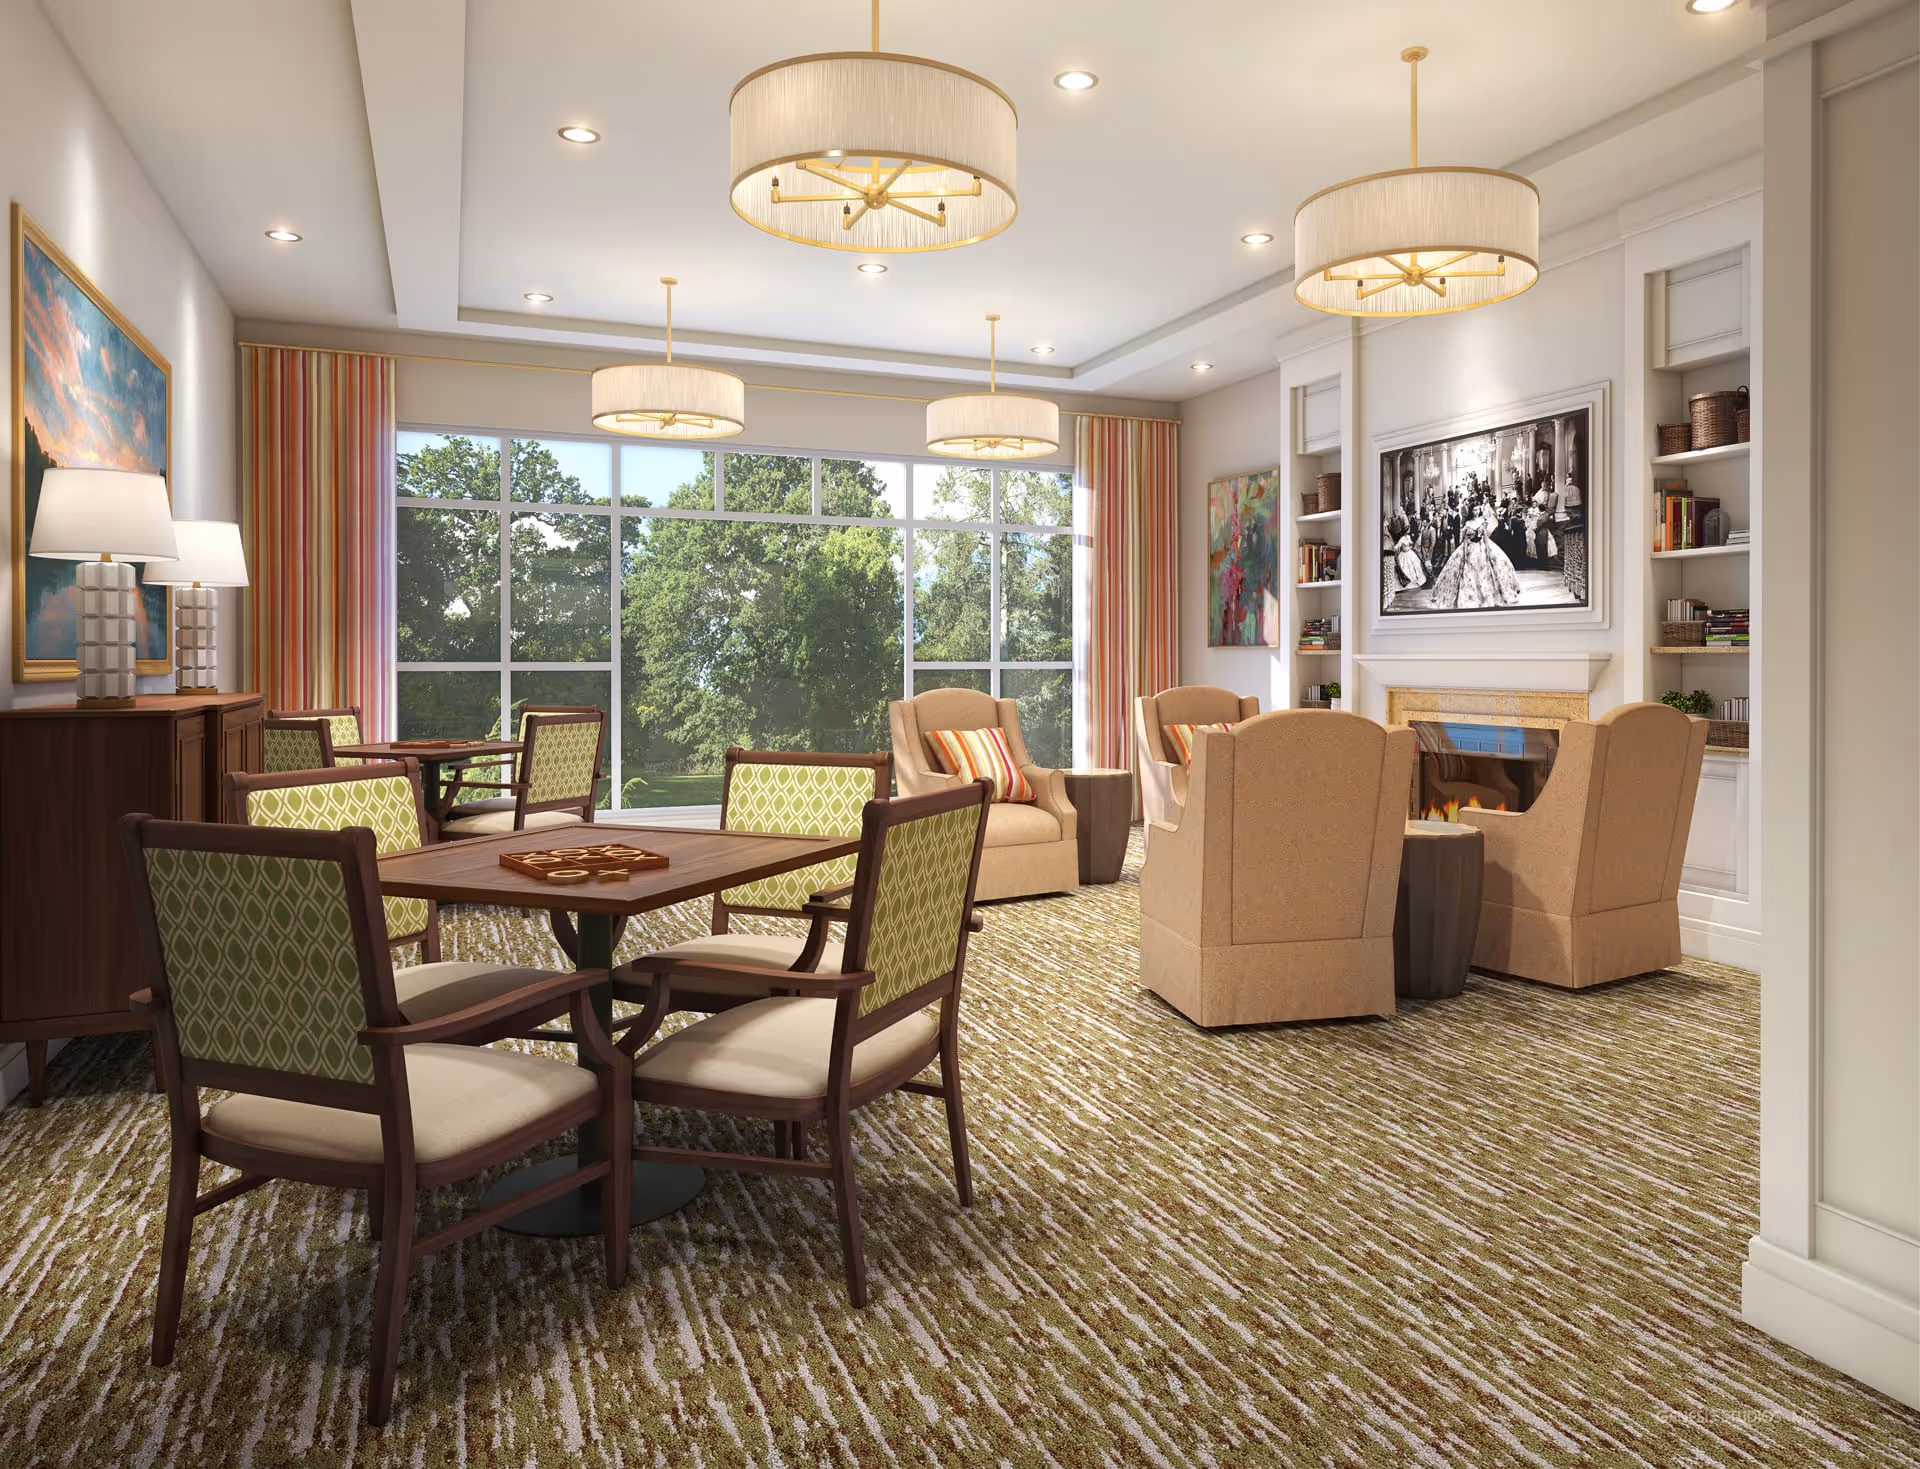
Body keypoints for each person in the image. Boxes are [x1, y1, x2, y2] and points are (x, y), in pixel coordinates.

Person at [1429, 500, 1524, 609]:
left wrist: (1488, 550)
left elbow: (1485, 538)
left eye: (1478, 509)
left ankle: (1488, 595)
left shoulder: (1482, 521)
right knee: (1467, 571)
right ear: (1471, 511)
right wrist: (1464, 553)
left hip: (1482, 547)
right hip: (1470, 548)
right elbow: (1464, 540)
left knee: (1489, 568)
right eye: (1474, 510)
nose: (1476, 512)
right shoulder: (1468, 523)